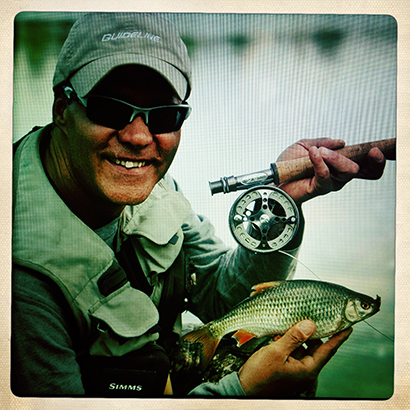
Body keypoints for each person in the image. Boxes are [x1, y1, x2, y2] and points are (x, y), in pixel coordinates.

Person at [11, 12, 387, 398]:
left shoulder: (151, 186)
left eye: (165, 115)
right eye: (109, 108)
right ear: (61, 108)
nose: (140, 136)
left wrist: (280, 206)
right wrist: (238, 393)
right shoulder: (21, 279)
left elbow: (224, 297)